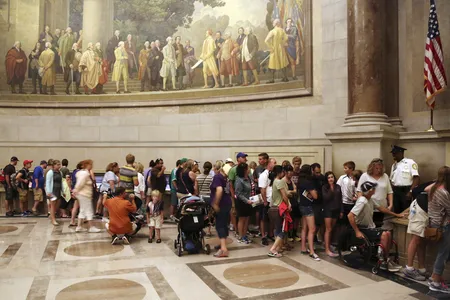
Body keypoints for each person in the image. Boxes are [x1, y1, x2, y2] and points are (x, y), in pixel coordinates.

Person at [348, 181, 405, 272]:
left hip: (370, 227)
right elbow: (350, 216)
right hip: (363, 228)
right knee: (384, 235)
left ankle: (385, 258)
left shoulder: (370, 199)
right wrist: (357, 231)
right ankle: (383, 261)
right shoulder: (362, 201)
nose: (375, 190)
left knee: (388, 233)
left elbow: (381, 208)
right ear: (370, 190)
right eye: (373, 189)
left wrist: (396, 214)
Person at [427, 166, 450, 293]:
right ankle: (435, 281)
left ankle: (436, 277)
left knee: (442, 252)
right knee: (443, 253)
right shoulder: (443, 192)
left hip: (434, 224)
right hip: (443, 226)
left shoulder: (433, 188)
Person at [403, 188, 430, 281]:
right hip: (420, 208)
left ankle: (421, 269)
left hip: (424, 207)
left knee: (422, 240)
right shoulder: (439, 183)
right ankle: (409, 268)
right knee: (416, 238)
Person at [357, 159, 393, 228]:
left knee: (378, 227)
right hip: (368, 208)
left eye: (380, 168)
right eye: (376, 168)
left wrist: (390, 205)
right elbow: (360, 191)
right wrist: (360, 204)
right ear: (371, 167)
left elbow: (390, 192)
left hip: (382, 208)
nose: (378, 170)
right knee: (368, 227)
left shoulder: (385, 176)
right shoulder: (365, 176)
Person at [268, 165, 291, 258]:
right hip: (280, 209)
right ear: (280, 172)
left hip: (273, 208)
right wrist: (288, 204)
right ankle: (273, 249)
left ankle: (278, 247)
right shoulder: (280, 181)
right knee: (283, 230)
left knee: (277, 229)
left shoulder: (274, 181)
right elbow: (284, 195)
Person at [72, 159, 101, 233]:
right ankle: (91, 227)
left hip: (82, 194)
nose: (92, 166)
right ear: (87, 165)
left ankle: (79, 227)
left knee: (82, 210)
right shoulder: (85, 174)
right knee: (89, 210)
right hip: (85, 195)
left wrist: (76, 191)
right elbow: (80, 183)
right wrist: (75, 190)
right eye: (91, 164)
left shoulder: (82, 173)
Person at [298, 164, 320, 261]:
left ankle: (303, 248)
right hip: (308, 207)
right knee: (312, 229)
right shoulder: (308, 182)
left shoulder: (300, 181)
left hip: (301, 205)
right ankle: (312, 251)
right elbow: (315, 196)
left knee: (304, 228)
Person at [211, 161, 232, 257]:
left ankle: (223, 249)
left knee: (220, 225)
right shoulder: (225, 178)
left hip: (221, 204)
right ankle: (222, 244)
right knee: (224, 224)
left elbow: (219, 190)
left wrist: (215, 203)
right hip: (227, 203)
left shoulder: (217, 177)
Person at [390, 145, 420, 214]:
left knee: (406, 210)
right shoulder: (394, 165)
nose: (393, 155)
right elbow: (392, 180)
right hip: (396, 191)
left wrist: (410, 191)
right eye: (393, 153)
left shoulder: (410, 162)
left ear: (401, 153)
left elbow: (416, 178)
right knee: (397, 211)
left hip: (406, 190)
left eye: (395, 153)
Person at [322, 171, 342, 257]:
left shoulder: (338, 187)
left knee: (332, 229)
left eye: (332, 177)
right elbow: (326, 198)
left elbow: (340, 199)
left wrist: (341, 210)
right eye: (329, 177)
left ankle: (328, 244)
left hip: (336, 210)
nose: (331, 179)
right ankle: (327, 249)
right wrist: (330, 188)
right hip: (328, 210)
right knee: (328, 229)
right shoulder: (324, 187)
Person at [228, 152, 249, 233]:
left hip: (246, 195)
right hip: (237, 194)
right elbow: (230, 183)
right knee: (235, 211)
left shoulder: (247, 169)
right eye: (243, 157)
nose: (245, 159)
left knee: (245, 215)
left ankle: (243, 231)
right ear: (238, 159)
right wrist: (233, 195)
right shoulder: (233, 169)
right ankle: (236, 229)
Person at [259, 158, 277, 245]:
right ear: (269, 163)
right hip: (266, 200)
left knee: (272, 219)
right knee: (263, 219)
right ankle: (263, 236)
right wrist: (265, 201)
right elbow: (262, 189)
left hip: (273, 200)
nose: (275, 164)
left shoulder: (274, 174)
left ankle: (270, 234)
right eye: (274, 162)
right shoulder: (263, 175)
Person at [265, 19, 289, 83]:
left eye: (273, 23)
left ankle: (272, 79)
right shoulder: (282, 30)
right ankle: (285, 78)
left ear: (275, 24)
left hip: (274, 49)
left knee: (272, 64)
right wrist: (282, 43)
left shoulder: (272, 31)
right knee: (282, 63)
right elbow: (286, 38)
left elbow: (266, 40)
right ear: (278, 24)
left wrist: (271, 47)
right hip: (281, 49)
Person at [235, 162, 253, 244]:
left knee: (247, 218)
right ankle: (240, 236)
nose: (249, 169)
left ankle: (245, 234)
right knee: (242, 219)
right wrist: (246, 200)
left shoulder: (249, 177)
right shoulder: (239, 179)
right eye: (247, 168)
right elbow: (238, 193)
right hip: (242, 202)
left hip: (249, 201)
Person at [284, 165, 299, 242]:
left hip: (294, 201)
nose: (291, 174)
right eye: (290, 172)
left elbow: (295, 190)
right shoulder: (283, 181)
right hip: (287, 202)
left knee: (295, 219)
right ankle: (288, 235)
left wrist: (291, 191)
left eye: (292, 172)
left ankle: (294, 234)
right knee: (288, 220)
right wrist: (290, 192)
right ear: (286, 172)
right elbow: (286, 193)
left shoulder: (291, 181)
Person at [45, 160, 63, 226]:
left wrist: (63, 191)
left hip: (58, 190)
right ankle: (53, 219)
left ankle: (52, 215)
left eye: (59, 164)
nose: (59, 166)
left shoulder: (60, 172)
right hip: (52, 190)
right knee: (53, 205)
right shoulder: (50, 172)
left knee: (57, 204)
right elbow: (48, 182)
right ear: (54, 165)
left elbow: (61, 182)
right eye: (58, 165)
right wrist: (49, 192)